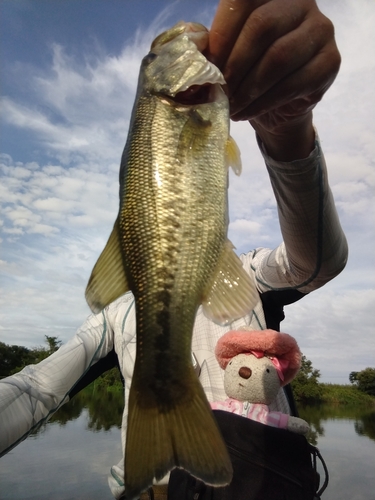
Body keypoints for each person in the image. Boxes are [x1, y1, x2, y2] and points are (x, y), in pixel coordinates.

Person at [0, 0, 348, 499]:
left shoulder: (250, 277)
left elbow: (317, 263)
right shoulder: (117, 315)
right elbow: (35, 389)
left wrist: (287, 127)